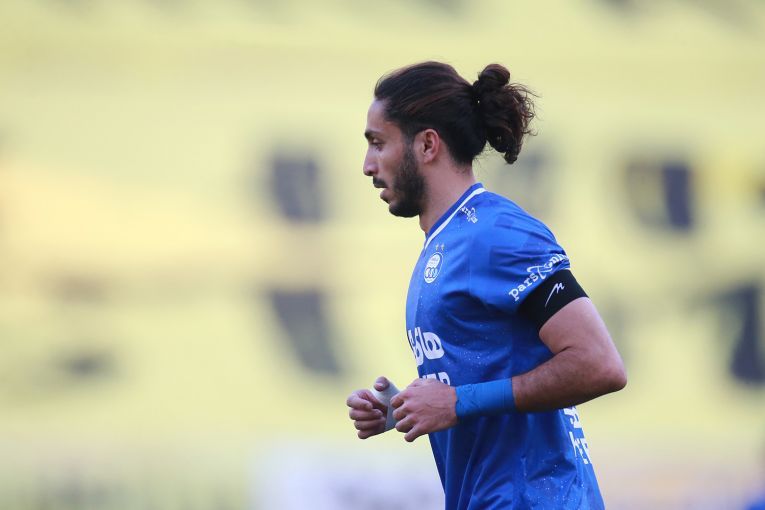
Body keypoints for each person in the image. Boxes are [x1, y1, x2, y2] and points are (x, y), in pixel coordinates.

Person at [346, 61, 627, 510]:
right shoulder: (447, 242)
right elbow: (484, 379)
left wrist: (456, 401)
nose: (367, 165)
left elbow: (599, 364)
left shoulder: (496, 233)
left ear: (427, 144)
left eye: (378, 143)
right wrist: (406, 408)